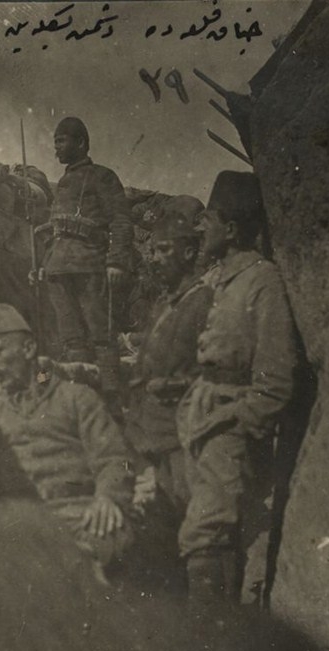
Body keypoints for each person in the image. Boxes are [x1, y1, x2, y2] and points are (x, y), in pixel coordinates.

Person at [176, 172, 297, 605]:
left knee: (204, 533)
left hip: (230, 427)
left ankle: (211, 637)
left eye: (207, 220)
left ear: (230, 229)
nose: (199, 228)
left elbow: (277, 378)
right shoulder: (217, 280)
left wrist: (237, 426)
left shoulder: (263, 281)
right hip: (200, 418)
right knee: (208, 528)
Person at [0, 303, 134, 572]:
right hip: (22, 524)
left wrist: (108, 497)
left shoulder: (76, 398)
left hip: (82, 514)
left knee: (106, 538)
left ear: (28, 349)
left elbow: (117, 459)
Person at [125, 213, 212, 512]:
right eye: (153, 251)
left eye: (164, 250)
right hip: (149, 433)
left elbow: (213, 373)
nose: (155, 259)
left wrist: (173, 385)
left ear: (188, 252)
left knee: (188, 509)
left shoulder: (204, 301)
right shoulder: (165, 303)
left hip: (181, 436)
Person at [42, 117, 133, 400]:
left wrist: (116, 261)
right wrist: (44, 264)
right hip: (59, 269)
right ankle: (82, 398)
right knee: (71, 339)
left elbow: (120, 220)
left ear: (80, 143)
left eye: (62, 141)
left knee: (101, 336)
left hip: (89, 265)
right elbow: (56, 230)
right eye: (55, 141)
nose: (56, 148)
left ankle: (112, 400)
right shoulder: (63, 183)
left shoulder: (102, 177)